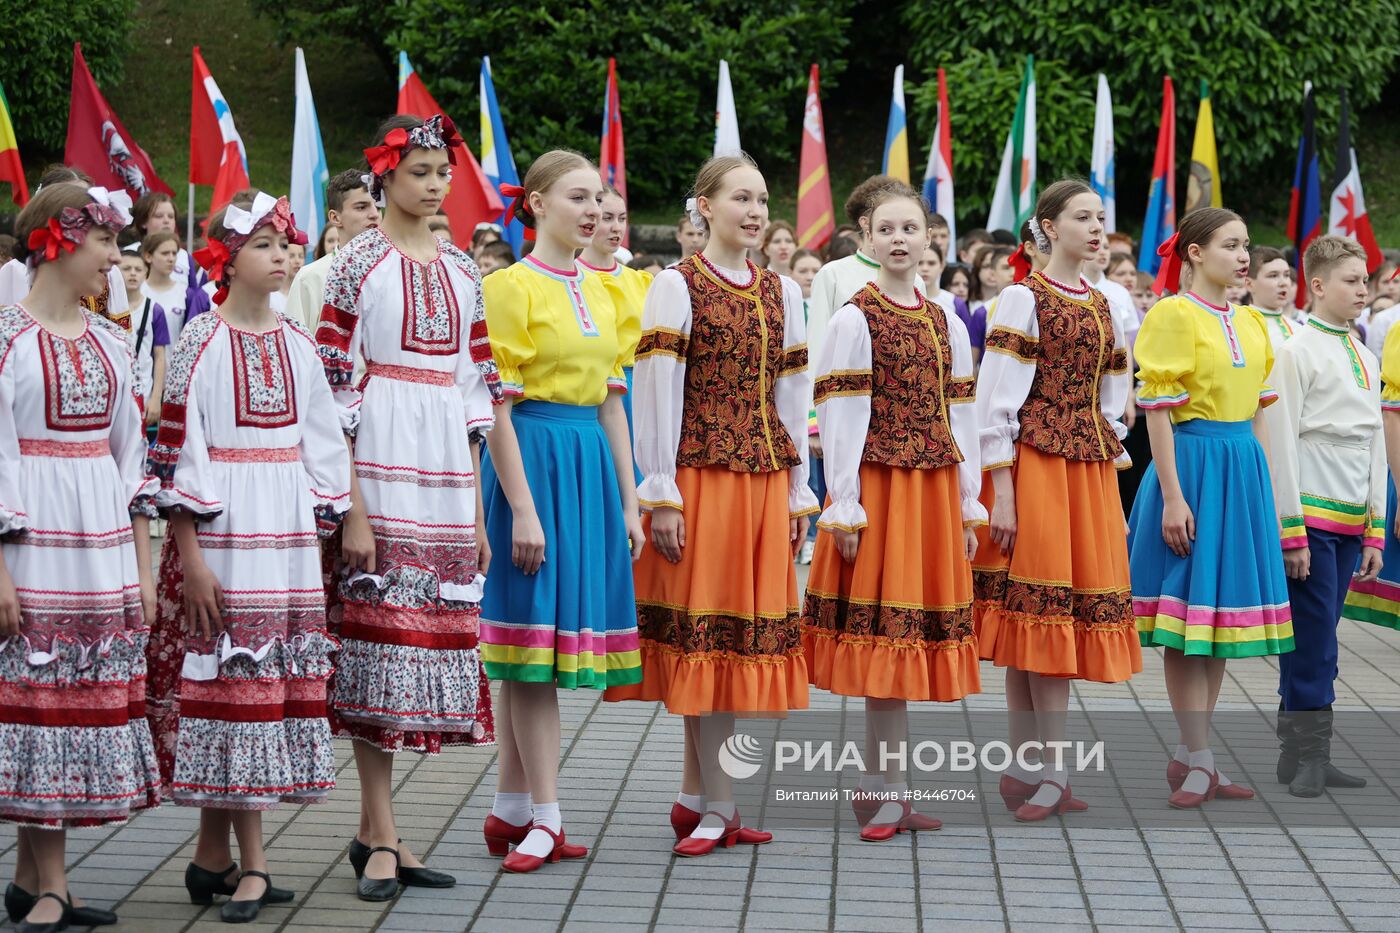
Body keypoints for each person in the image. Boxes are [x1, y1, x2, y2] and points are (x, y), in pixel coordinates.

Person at [605, 153, 817, 856]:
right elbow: (656, 390)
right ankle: (719, 804)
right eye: (740, 199)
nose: (755, 212)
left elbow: (792, 398)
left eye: (761, 200)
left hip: (760, 482)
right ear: (704, 205)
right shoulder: (675, 284)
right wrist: (659, 489)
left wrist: (796, 486)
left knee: (728, 642)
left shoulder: (782, 290)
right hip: (699, 480)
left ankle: (699, 795)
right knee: (707, 638)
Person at [147, 191, 348, 922]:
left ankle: (212, 857)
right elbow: (177, 456)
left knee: (262, 692)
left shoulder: (298, 342)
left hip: (286, 536)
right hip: (225, 535)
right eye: (265, 244)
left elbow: (323, 438)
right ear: (227, 258)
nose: (282, 256)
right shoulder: (199, 339)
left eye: (286, 244)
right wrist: (190, 556)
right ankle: (257, 865)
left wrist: (326, 517)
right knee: (235, 693)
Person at [316, 114, 501, 900]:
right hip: (381, 468)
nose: (434, 184)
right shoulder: (355, 264)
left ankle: (377, 832)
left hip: (445, 479)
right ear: (384, 177)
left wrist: (480, 513)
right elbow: (333, 387)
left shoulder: (464, 269)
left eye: (441, 171)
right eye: (419, 170)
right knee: (378, 648)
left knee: (418, 647)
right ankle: (383, 831)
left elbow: (474, 391)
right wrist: (351, 507)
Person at [477, 151, 643, 872]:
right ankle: (546, 813)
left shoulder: (606, 291)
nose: (592, 210)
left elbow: (613, 402)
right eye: (577, 197)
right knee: (532, 653)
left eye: (598, 199)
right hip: (531, 459)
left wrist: (630, 500)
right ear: (537, 203)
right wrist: (521, 508)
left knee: (534, 649)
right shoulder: (508, 287)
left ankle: (512, 805)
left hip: (587, 467)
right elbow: (497, 406)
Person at [0, 182, 159, 931]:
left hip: (98, 548)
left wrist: (141, 565)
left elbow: (131, 462)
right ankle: (53, 885)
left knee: (69, 707)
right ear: (61, 239)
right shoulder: (4, 339)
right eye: (105, 243)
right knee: (41, 708)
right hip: (32, 547)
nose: (114, 260)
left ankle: (34, 878)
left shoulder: (109, 342)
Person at [803, 182, 981, 841]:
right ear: (867, 240)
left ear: (932, 239)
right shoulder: (855, 316)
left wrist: (968, 502)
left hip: (932, 491)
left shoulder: (947, 321)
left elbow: (959, 414)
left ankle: (888, 787)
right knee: (887, 644)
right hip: (880, 490)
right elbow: (841, 416)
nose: (900, 239)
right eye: (887, 229)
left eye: (912, 228)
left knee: (907, 648)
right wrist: (843, 503)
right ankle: (881, 788)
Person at [973, 179, 1141, 821]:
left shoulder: (1105, 303)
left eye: (1101, 216)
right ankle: (1049, 771)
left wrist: (1109, 487)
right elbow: (996, 404)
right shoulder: (1022, 298)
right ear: (1048, 226)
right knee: (1039, 621)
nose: (1097, 228)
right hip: (1037, 470)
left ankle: (1027, 769)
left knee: (1045, 624)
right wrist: (1005, 494)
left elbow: (1110, 402)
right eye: (1082, 217)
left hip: (1086, 472)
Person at [1129, 207, 1290, 809]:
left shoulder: (1252, 322)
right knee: (1184, 623)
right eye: (1230, 245)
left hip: (1240, 471)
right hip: (1192, 469)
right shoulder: (1173, 314)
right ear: (1194, 253)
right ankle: (1198, 757)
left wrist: (1270, 497)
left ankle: (1193, 755)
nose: (1243, 255)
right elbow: (1160, 413)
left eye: (1246, 245)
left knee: (1218, 624)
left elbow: (1259, 416)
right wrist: (1173, 496)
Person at [1268, 235, 1380, 799]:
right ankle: (1310, 753)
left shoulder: (1365, 353)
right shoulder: (1294, 350)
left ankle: (1298, 752)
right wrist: (1290, 529)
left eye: (1366, 280)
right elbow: (1280, 441)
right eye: (1352, 280)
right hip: (1309, 516)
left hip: (1350, 517)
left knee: (1319, 636)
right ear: (1317, 285)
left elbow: (1375, 443)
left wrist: (1375, 525)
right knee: (1315, 642)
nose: (1364, 289)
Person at [578, 185, 653, 481]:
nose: (616, 227)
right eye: (607, 217)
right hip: (592, 389)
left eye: (622, 218)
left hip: (639, 391)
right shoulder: (573, 278)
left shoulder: (642, 282)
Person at [0, 167, 129, 324]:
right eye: (71, 200)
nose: (87, 207)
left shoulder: (108, 337)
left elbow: (122, 329)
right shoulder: (14, 271)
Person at [285, 170, 381, 332]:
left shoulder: (399, 268)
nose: (374, 214)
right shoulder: (310, 278)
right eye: (361, 207)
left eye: (378, 207)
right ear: (335, 218)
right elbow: (297, 348)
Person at [129, 191, 210, 327]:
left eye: (171, 216)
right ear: (143, 222)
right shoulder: (130, 253)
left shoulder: (184, 257)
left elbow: (193, 299)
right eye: (159, 216)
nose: (166, 220)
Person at [117, 251, 170, 428]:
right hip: (115, 392)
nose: (133, 273)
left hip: (143, 392)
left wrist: (156, 398)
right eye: (126, 268)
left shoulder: (155, 310)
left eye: (138, 269)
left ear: (145, 273)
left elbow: (160, 356)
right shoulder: (107, 308)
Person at [142, 231, 190, 344]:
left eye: (174, 253)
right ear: (148, 256)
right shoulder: (137, 291)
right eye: (165, 253)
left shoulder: (186, 294)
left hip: (175, 360)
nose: (171, 259)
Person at [1246, 246, 1297, 349]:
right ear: (1250, 284)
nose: (1284, 283)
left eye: (1286, 275)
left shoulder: (1298, 329)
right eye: (1273, 276)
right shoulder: (1242, 328)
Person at [269, 240, 305, 314]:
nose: (297, 261)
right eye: (291, 256)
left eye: (301, 256)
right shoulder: (271, 296)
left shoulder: (306, 293)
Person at [918, 241, 956, 314]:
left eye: (931, 263)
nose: (925, 268)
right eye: (919, 263)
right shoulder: (898, 301)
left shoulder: (954, 302)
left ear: (942, 266)